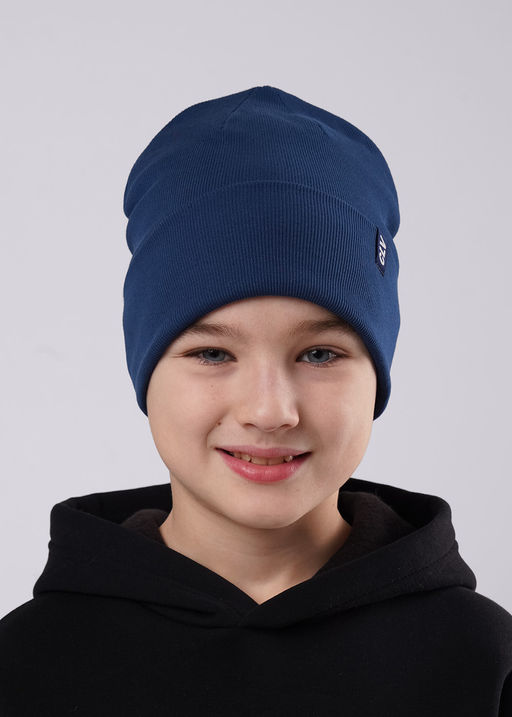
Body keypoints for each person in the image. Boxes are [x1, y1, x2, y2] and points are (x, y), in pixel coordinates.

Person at [1, 85, 511, 715]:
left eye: (319, 354)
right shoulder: (27, 666)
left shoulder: (482, 662)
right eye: (213, 354)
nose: (269, 412)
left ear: (378, 375)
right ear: (145, 371)